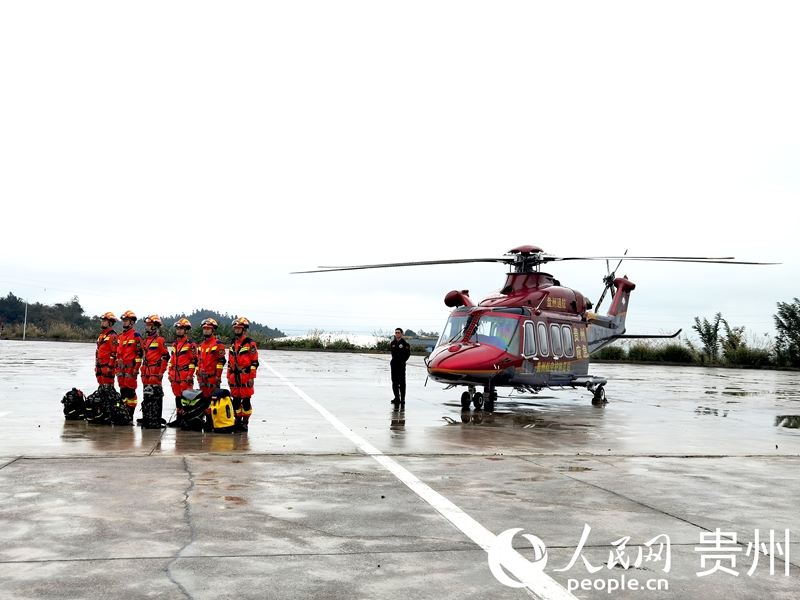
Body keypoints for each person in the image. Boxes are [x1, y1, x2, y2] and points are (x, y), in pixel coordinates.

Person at [227, 317, 259, 432]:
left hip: (245, 376)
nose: (237, 330)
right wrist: (228, 376)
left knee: (246, 401)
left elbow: (254, 362)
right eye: (235, 328)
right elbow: (229, 362)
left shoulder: (250, 344)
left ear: (244, 329)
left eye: (239, 328)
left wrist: (252, 377)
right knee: (235, 400)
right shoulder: (232, 343)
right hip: (234, 377)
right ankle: (238, 420)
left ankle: (245, 422)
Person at [167, 318, 198, 427]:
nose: (179, 331)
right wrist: (169, 373)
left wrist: (190, 375)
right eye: (178, 329)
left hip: (185, 375)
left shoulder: (191, 344)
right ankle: (179, 418)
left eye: (181, 329)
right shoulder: (175, 344)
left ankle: (187, 419)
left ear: (186, 331)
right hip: (175, 376)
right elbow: (172, 360)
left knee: (187, 398)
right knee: (178, 397)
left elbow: (193, 362)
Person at [140, 315, 170, 428]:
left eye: (149, 325)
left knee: (156, 398)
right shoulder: (145, 340)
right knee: (147, 397)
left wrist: (161, 371)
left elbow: (166, 356)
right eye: (147, 325)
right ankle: (147, 419)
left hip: (155, 373)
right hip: (146, 373)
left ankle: (156, 421)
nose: (147, 327)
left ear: (154, 327)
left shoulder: (159, 340)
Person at [197, 318, 226, 427]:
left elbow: (221, 361)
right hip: (202, 378)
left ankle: (215, 421)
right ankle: (208, 420)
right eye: (204, 329)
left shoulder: (218, 344)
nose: (206, 331)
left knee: (214, 399)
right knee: (205, 400)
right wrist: (198, 374)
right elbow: (198, 361)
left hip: (213, 377)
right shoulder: (201, 345)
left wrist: (218, 375)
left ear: (213, 330)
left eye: (208, 329)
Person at [116, 310, 144, 419]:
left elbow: (139, 355)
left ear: (132, 322)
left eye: (126, 320)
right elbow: (118, 354)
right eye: (123, 320)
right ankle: (123, 414)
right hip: (121, 371)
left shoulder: (136, 336)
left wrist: (136, 369)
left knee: (130, 392)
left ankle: (130, 415)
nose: (124, 322)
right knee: (123, 392)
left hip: (130, 369)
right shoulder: (121, 336)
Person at [95, 312, 119, 387]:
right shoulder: (102, 335)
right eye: (102, 321)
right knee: (101, 388)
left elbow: (114, 352)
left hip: (107, 367)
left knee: (108, 389)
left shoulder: (112, 336)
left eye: (104, 321)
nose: (102, 322)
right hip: (99, 366)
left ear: (110, 323)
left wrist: (110, 366)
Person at [390, 327, 411, 404]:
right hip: (394, 365)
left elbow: (407, 354)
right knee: (394, 382)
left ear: (401, 334)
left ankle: (402, 399)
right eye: (396, 332)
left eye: (398, 332)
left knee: (402, 382)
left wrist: (402, 361)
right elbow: (392, 353)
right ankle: (396, 398)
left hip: (401, 365)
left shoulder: (405, 344)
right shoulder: (393, 343)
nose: (397, 334)